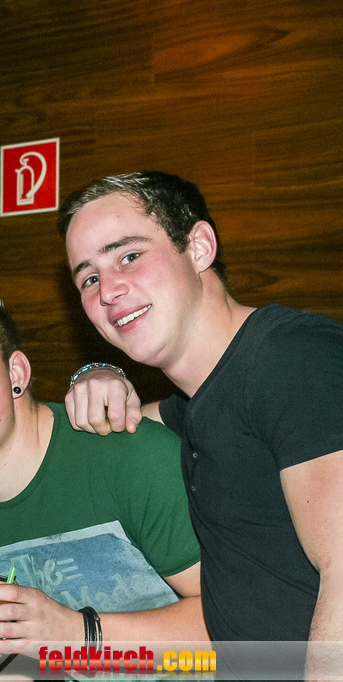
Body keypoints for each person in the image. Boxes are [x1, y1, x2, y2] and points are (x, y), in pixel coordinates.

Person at [59, 171, 343, 672]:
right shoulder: (198, 401)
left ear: (199, 247)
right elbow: (107, 421)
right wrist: (95, 372)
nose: (108, 291)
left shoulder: (291, 358)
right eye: (89, 278)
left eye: (128, 256)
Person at [0, 272, 206, 657]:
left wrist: (76, 633)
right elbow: (14, 656)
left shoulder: (134, 459)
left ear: (16, 373)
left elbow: (241, 621)